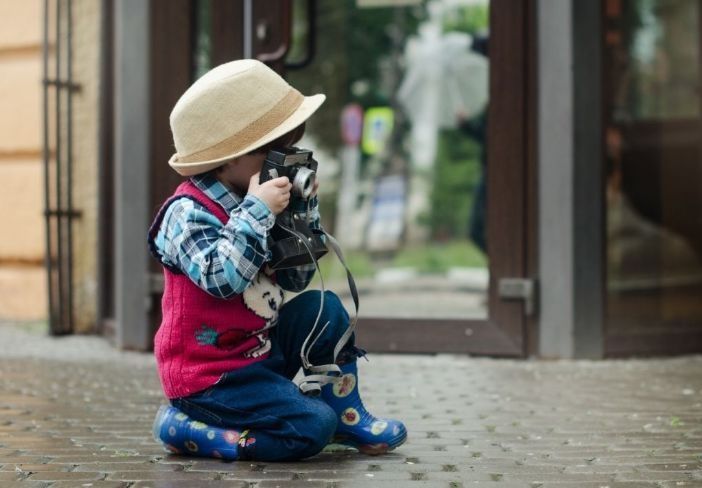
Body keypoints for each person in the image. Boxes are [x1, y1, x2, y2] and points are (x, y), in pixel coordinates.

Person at [147, 59, 406, 462]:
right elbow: (222, 279)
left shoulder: (261, 200)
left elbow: (298, 279)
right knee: (310, 427)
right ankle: (190, 430)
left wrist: (302, 212)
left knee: (326, 308)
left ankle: (344, 412)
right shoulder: (186, 213)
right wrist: (257, 211)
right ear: (230, 156)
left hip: (258, 353)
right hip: (210, 378)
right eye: (274, 151)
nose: (282, 162)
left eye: (289, 149)